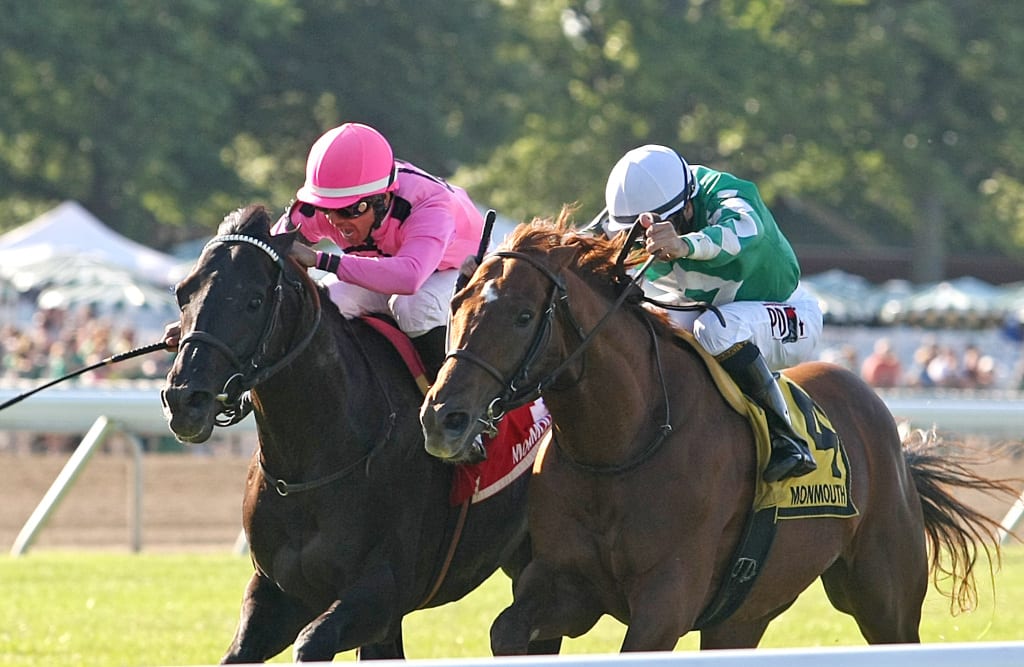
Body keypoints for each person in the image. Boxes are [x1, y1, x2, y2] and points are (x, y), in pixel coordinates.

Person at [603, 144, 823, 482]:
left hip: (789, 312)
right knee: (646, 332)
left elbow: (746, 230)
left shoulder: (727, 192)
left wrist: (683, 245)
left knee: (715, 330)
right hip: (708, 309)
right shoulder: (640, 207)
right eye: (636, 234)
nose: (646, 242)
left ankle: (787, 439)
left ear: (688, 207)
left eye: (658, 229)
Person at [272, 122, 485, 380]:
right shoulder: (317, 209)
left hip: (459, 269)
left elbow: (409, 278)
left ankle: (450, 401)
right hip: (387, 267)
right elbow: (268, 252)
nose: (336, 221)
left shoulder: (429, 205)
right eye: (327, 209)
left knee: (412, 307)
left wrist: (320, 260)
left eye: (351, 209)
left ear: (383, 198)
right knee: (324, 303)